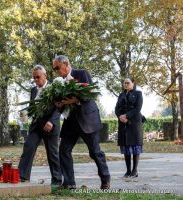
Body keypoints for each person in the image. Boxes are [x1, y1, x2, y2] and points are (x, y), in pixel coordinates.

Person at [52, 55, 110, 189]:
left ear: (66, 64)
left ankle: (105, 178)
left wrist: (74, 100)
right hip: (71, 122)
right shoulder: (58, 82)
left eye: (57, 68)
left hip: (87, 118)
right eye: (54, 69)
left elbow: (89, 93)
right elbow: (59, 103)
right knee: (64, 150)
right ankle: (69, 183)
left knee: (95, 152)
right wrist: (58, 104)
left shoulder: (81, 73)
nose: (56, 71)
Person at [18, 65, 62, 185]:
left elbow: (60, 107)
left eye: (38, 77)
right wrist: (25, 112)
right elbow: (33, 107)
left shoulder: (55, 87)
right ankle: (22, 176)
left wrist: (51, 121)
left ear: (45, 75)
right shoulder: (33, 90)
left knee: (52, 153)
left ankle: (57, 181)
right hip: (36, 126)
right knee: (28, 147)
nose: (36, 80)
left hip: (50, 125)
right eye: (34, 78)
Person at [115, 77, 143, 178]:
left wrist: (127, 116)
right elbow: (117, 108)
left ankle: (134, 171)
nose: (126, 84)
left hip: (134, 123)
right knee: (126, 146)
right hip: (123, 123)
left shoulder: (138, 93)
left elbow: (138, 107)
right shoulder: (121, 95)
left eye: (128, 83)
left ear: (133, 83)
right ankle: (128, 171)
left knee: (135, 146)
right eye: (124, 83)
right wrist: (120, 116)